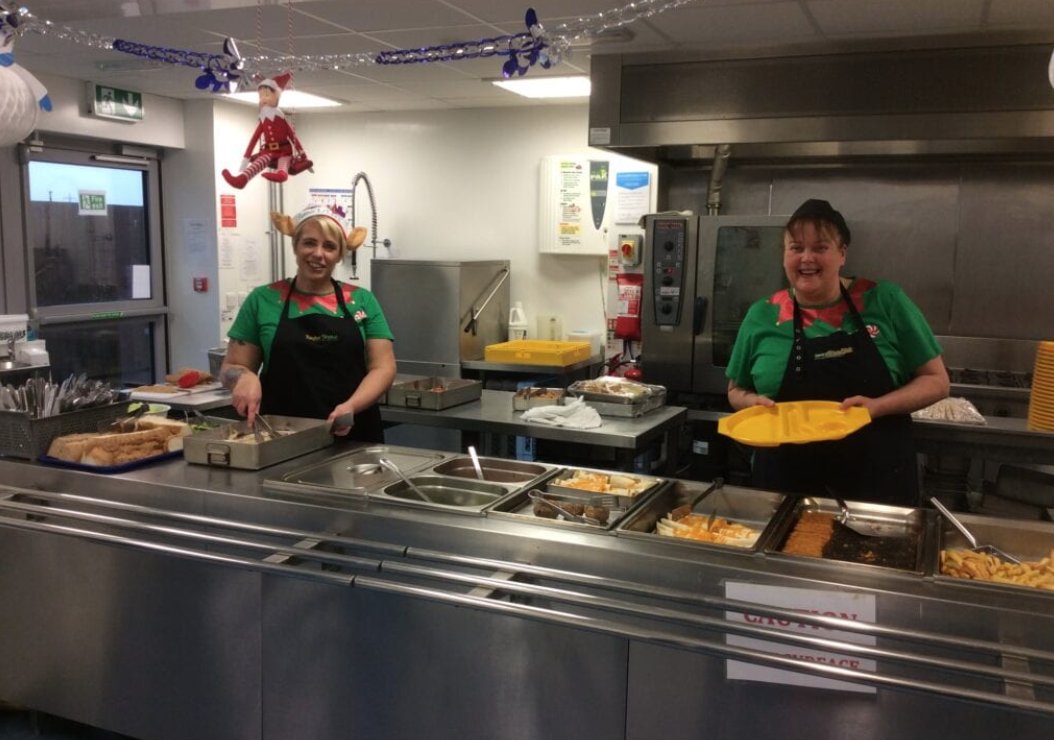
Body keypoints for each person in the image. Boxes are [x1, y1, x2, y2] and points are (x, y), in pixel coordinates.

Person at [725, 198, 949, 505]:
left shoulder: (885, 300)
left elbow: (937, 381)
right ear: (784, 254)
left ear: (842, 253)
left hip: (877, 488)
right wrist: (752, 403)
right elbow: (735, 390)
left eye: (820, 247)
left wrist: (876, 407)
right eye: (796, 247)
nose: (807, 258)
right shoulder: (762, 314)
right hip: (786, 490)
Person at [220, 204, 396, 442]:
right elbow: (232, 366)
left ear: (340, 254)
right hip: (282, 434)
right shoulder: (262, 300)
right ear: (295, 246)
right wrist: (243, 377)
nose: (318, 254)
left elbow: (383, 368)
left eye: (329, 246)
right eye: (309, 243)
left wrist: (351, 406)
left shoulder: (362, 300)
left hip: (354, 432)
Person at [221, 71, 313, 189]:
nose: (263, 100)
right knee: (259, 162)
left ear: (276, 97)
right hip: (268, 150)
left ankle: (282, 175)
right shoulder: (263, 120)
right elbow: (254, 139)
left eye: (267, 95)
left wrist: (303, 155)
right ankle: (242, 179)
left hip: (284, 150)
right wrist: (246, 158)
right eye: (261, 96)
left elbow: (293, 136)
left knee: (284, 162)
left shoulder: (281, 119)